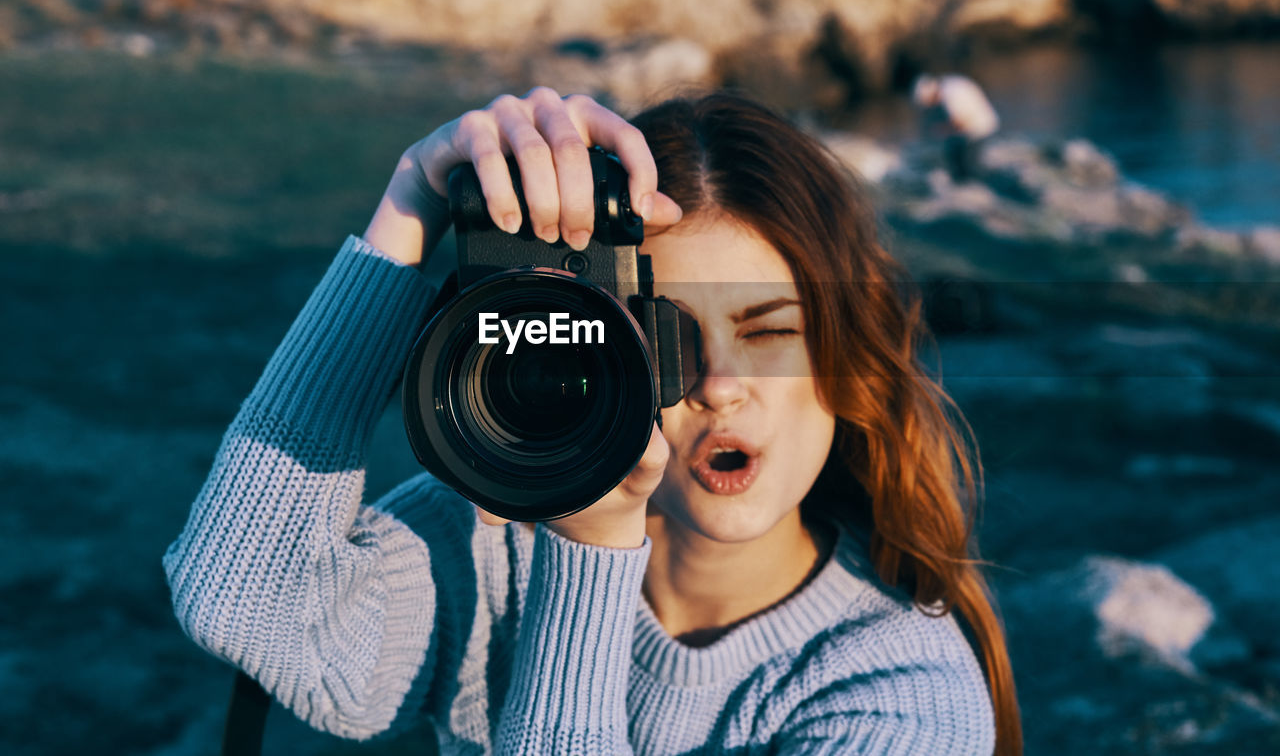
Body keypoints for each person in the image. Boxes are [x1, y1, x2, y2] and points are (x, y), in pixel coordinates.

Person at [163, 87, 1022, 755]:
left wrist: (592, 555)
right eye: (670, 340)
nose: (720, 388)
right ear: (600, 349)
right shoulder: (495, 549)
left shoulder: (899, 687)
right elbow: (241, 598)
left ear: (846, 358)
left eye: (769, 331)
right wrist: (413, 208)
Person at [912, 73, 1000, 182]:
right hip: (971, 130)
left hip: (980, 128)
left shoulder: (951, 95)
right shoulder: (948, 84)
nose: (931, 106)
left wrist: (941, 130)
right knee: (955, 161)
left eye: (929, 102)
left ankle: (985, 187)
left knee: (971, 166)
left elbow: (962, 122)